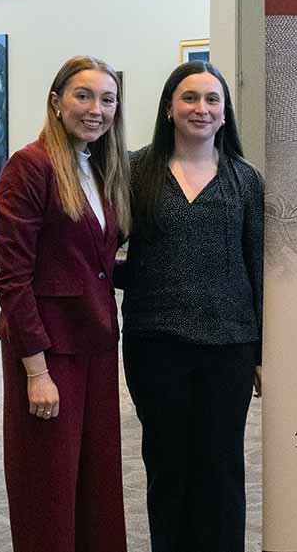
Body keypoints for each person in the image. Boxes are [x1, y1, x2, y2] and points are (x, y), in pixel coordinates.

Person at [119, 61, 264, 552]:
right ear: (168, 108)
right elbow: (97, 251)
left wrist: (262, 352)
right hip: (155, 345)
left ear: (224, 113)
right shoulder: (135, 170)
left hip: (230, 346)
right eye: (189, 98)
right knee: (167, 465)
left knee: (221, 468)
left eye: (211, 100)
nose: (201, 109)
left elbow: (256, 266)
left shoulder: (246, 180)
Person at [0, 55, 130, 552]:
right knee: (45, 487)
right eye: (83, 95)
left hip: (94, 342)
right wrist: (36, 370)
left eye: (108, 99)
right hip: (47, 351)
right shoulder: (29, 167)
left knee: (96, 480)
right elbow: (12, 279)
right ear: (56, 102)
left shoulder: (98, 167)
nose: (96, 109)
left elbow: (99, 263)